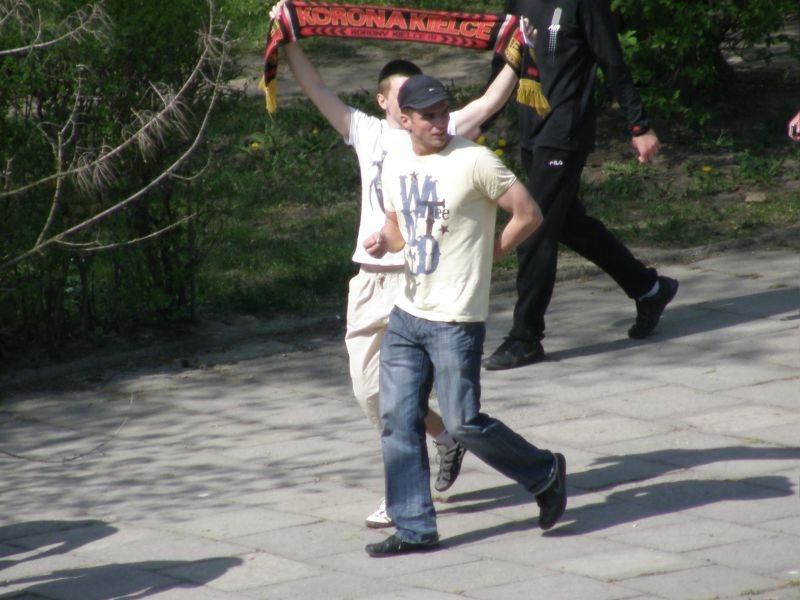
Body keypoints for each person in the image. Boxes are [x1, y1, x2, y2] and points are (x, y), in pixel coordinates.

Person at [268, 0, 520, 528]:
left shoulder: (441, 133)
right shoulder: (367, 132)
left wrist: (517, 54)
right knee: (370, 390)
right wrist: (288, 37)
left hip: (418, 281)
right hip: (369, 280)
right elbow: (316, 89)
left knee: (400, 400)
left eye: (419, 97)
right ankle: (443, 437)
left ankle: (403, 497)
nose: (414, 105)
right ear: (385, 102)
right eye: (402, 96)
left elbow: (490, 100)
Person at [363, 74, 567, 557]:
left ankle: (544, 471)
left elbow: (528, 213)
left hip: (455, 317)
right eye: (428, 116)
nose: (439, 123)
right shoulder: (395, 163)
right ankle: (414, 527)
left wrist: (491, 253)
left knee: (462, 422)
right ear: (405, 119)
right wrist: (383, 241)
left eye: (443, 113)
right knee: (398, 417)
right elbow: (398, 228)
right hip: (407, 313)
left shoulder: (474, 160)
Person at [483, 0, 679, 371]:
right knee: (568, 223)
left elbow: (613, 62)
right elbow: (505, 58)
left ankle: (525, 338)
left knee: (534, 227)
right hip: (531, 128)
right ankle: (649, 289)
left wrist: (639, 125)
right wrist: (481, 119)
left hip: (565, 130)